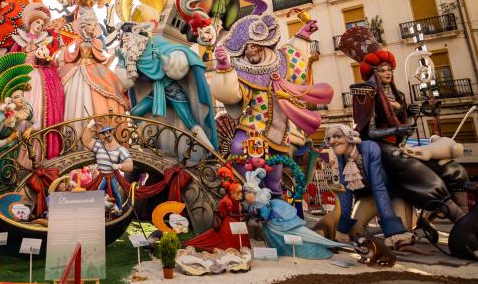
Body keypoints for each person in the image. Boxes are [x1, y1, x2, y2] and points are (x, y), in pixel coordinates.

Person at [339, 26, 469, 229]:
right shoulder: (365, 92)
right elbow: (368, 132)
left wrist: (409, 111)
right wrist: (397, 131)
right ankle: (462, 222)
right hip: (379, 147)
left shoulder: (397, 94)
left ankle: (466, 216)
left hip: (399, 145)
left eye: (389, 69)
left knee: (451, 168)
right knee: (417, 171)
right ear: (373, 72)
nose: (387, 73)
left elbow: (399, 118)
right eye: (382, 70)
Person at [212, 14, 332, 195]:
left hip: (279, 136)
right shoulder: (245, 74)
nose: (249, 51)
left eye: (252, 46)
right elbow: (233, 94)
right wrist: (223, 66)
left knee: (274, 181)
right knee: (240, 154)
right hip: (252, 129)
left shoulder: (284, 62)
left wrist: (303, 34)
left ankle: (275, 204)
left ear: (263, 45)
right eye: (245, 49)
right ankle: (245, 197)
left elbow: (294, 51)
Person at [116, 21, 218, 149]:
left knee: (190, 122)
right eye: (122, 37)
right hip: (156, 93)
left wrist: (164, 58)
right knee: (135, 113)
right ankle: (149, 142)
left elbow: (177, 54)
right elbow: (129, 81)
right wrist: (121, 62)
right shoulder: (132, 57)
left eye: (126, 36)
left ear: (135, 35)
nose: (124, 39)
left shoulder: (155, 43)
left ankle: (210, 150)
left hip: (172, 91)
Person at [324, 124, 422, 252]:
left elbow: (379, 187)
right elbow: (346, 189)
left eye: (337, 136)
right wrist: (340, 231)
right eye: (329, 138)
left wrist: (394, 233)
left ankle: (418, 231)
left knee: (400, 237)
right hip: (369, 197)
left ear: (349, 136)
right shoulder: (341, 154)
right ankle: (375, 235)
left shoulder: (370, 147)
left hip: (391, 195)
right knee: (354, 232)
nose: (332, 141)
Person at [243, 168, 349, 259]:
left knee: (291, 237)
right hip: (272, 224)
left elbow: (264, 214)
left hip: (276, 221)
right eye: (246, 193)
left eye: (248, 192)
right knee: (279, 239)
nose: (246, 195)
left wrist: (261, 218)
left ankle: (320, 247)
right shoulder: (256, 203)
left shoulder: (260, 202)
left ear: (254, 192)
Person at [60, 7, 129, 139]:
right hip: (78, 70)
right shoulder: (79, 41)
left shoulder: (97, 42)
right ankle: (72, 136)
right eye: (90, 25)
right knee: (73, 94)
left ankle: (96, 135)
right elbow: (73, 56)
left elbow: (101, 57)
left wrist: (113, 56)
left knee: (103, 95)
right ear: (83, 27)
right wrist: (65, 52)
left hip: (93, 69)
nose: (93, 27)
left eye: (94, 25)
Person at [11, 4, 65, 158]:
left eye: (42, 24)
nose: (39, 26)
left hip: (37, 77)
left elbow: (48, 61)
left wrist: (45, 58)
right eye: (37, 22)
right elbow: (12, 57)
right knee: (19, 108)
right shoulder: (20, 40)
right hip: (22, 76)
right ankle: (16, 149)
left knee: (37, 109)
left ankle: (35, 150)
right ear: (30, 23)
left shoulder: (43, 42)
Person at [185, 167, 250, 251]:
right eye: (239, 192)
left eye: (241, 192)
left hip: (235, 221)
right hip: (229, 223)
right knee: (232, 239)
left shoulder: (235, 200)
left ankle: (242, 248)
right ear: (232, 193)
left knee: (241, 235)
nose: (241, 194)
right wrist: (242, 215)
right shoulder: (227, 201)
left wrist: (242, 214)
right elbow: (229, 213)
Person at [81, 122, 133, 210]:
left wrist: (119, 166)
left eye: (108, 132)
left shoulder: (120, 150)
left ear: (112, 132)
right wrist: (90, 125)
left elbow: (130, 165)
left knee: (116, 193)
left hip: (112, 177)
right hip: (103, 177)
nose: (106, 135)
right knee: (99, 192)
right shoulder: (99, 145)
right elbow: (86, 141)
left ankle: (119, 209)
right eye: (104, 133)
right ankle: (100, 210)